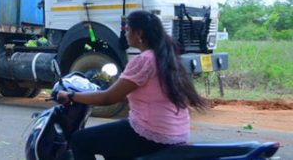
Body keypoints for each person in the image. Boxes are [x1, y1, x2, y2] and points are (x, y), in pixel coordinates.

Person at [54, 10, 209, 160]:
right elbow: (141, 95)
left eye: (128, 30)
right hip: (177, 132)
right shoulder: (167, 56)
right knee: (112, 140)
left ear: (139, 33)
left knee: (80, 140)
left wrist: (70, 95)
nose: (126, 34)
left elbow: (107, 99)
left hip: (153, 133)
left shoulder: (144, 60)